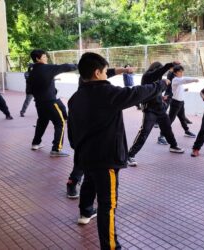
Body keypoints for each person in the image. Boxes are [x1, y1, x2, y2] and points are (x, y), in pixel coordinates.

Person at [68, 52, 169, 250]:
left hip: (85, 156)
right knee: (108, 205)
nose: (107, 75)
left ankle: (86, 212)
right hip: (105, 160)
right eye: (106, 72)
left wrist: (79, 149)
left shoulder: (75, 97)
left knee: (89, 182)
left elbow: (72, 132)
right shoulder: (107, 93)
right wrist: (161, 85)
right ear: (97, 73)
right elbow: (137, 93)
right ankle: (111, 246)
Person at [66, 66, 137, 199]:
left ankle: (85, 208)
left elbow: (108, 73)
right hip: (91, 129)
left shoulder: (85, 81)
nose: (106, 73)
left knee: (87, 166)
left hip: (84, 130)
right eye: (103, 71)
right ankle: (73, 182)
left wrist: (124, 70)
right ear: (96, 73)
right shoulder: (90, 84)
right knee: (88, 166)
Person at [127, 61, 185, 167]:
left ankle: (173, 146)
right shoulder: (147, 76)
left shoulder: (156, 78)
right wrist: (169, 65)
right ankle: (130, 155)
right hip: (150, 109)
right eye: (160, 70)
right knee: (144, 132)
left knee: (167, 128)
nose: (161, 73)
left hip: (160, 108)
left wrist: (161, 97)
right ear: (156, 69)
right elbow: (157, 75)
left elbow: (155, 91)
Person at [28, 49, 77, 157]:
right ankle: (56, 149)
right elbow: (65, 67)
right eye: (44, 57)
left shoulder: (31, 71)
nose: (46, 58)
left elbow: (29, 90)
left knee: (42, 122)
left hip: (39, 103)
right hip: (50, 102)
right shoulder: (47, 68)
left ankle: (36, 143)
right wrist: (77, 65)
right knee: (60, 123)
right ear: (38, 58)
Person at [169, 65, 197, 138]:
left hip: (181, 103)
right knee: (170, 120)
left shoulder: (179, 80)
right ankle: (161, 135)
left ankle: (187, 131)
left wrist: (184, 90)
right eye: (180, 72)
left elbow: (177, 89)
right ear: (175, 73)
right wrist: (194, 79)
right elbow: (184, 80)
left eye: (182, 72)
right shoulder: (175, 80)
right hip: (175, 103)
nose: (182, 73)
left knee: (182, 118)